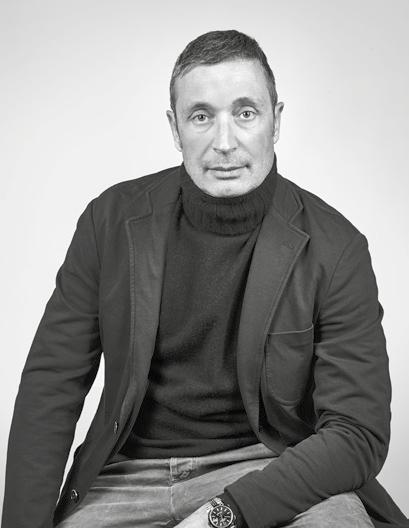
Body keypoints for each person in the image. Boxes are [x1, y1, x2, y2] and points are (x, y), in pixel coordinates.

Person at [2, 29, 408, 528]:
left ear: (276, 120)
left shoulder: (336, 248)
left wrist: (225, 514)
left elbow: (357, 432)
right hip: (125, 479)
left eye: (245, 113)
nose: (225, 142)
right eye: (201, 116)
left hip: (270, 470)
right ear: (175, 128)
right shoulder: (109, 221)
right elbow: (52, 384)